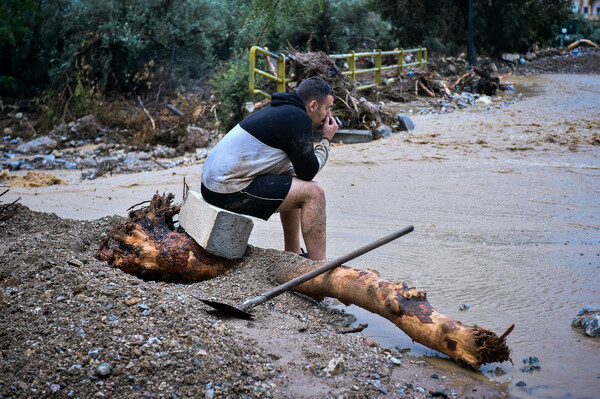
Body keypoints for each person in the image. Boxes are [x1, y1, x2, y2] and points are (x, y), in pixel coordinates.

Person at [200, 76, 338, 260]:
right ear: (313, 106)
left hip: (212, 185)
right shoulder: (298, 118)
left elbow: (298, 172)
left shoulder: (282, 110)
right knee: (314, 193)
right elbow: (309, 171)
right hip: (227, 189)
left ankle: (293, 253)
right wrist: (326, 139)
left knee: (293, 179)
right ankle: (319, 267)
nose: (328, 115)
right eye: (327, 108)